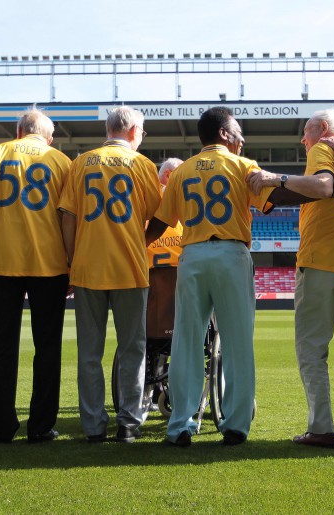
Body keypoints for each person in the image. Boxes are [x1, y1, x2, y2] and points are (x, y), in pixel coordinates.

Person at [247, 109, 334, 448]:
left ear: (321, 128)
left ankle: (321, 428)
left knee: (311, 349)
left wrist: (275, 178)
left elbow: (322, 186)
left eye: (305, 133)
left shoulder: (324, 146)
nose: (303, 141)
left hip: (323, 261)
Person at [146, 106, 274, 447]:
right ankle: (235, 426)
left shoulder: (183, 171)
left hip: (193, 256)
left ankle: (180, 426)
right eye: (237, 132)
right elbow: (270, 201)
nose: (241, 138)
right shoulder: (243, 165)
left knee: (185, 341)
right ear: (223, 134)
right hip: (231, 252)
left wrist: (137, 243)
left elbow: (160, 222)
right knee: (237, 342)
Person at [0, 107, 72, 443]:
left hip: (3, 263)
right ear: (47, 135)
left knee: (3, 346)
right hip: (49, 264)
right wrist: (71, 262)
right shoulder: (61, 161)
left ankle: (2, 425)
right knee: (48, 347)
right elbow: (68, 215)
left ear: (19, 130)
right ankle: (40, 426)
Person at [59, 106, 162, 443]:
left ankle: (92, 426)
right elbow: (156, 216)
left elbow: (69, 218)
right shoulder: (143, 165)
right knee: (133, 350)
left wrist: (73, 261)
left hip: (88, 268)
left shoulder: (81, 162)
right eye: (143, 131)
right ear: (133, 130)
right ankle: (129, 423)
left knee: (90, 351)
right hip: (130, 267)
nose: (142, 137)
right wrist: (137, 240)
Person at [144, 158, 184, 411]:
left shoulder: (147, 203)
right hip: (179, 280)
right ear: (169, 175)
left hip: (150, 282)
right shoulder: (179, 202)